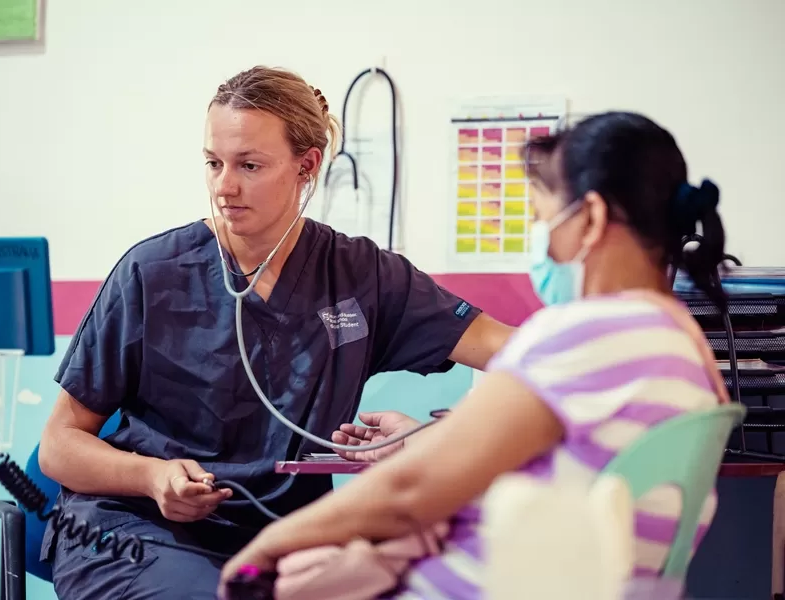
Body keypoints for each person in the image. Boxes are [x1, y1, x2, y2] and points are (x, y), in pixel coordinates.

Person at [37, 65, 514, 600]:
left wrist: (431, 440)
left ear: (306, 166)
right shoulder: (152, 273)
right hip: (139, 531)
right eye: (213, 163)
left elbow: (520, 357)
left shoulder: (363, 276)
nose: (224, 186)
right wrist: (151, 477)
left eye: (250, 165)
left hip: (289, 540)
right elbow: (58, 444)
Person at [219, 111, 732, 599]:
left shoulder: (584, 332)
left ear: (591, 217)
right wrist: (430, 442)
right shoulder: (684, 342)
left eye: (544, 217)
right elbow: (573, 460)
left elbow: (407, 495)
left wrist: (265, 548)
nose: (541, 241)